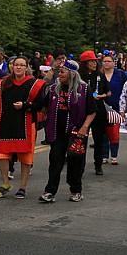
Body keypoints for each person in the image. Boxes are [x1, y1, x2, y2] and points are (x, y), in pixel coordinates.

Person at [38, 60, 96, 203]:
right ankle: (50, 191)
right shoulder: (53, 89)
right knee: (55, 161)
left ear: (72, 73)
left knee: (75, 162)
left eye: (63, 71)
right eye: (60, 71)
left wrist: (84, 127)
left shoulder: (83, 89)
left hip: (76, 132)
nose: (60, 74)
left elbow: (92, 111)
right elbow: (43, 107)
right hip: (57, 132)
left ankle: (76, 190)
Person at [0, 55, 46, 199]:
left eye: (22, 65)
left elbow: (41, 105)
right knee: (2, 155)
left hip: (26, 123)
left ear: (27, 67)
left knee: (26, 157)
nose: (19, 67)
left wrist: (25, 105)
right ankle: (5, 183)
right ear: (12, 67)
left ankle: (22, 187)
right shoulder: (4, 83)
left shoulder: (35, 84)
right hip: (6, 123)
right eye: (16, 65)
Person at [78, 50, 109, 175]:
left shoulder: (100, 75)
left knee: (99, 139)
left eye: (95, 61)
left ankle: (98, 165)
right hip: (84, 111)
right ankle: (80, 166)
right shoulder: (79, 77)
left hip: (99, 110)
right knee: (81, 139)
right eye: (91, 61)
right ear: (85, 63)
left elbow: (108, 91)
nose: (94, 63)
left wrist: (102, 95)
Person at [99, 53, 127, 165]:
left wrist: (124, 107)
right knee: (103, 132)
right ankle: (104, 155)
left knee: (114, 132)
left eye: (109, 61)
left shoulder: (120, 74)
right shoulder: (99, 75)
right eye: (104, 61)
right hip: (102, 107)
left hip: (116, 107)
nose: (106, 63)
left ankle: (114, 156)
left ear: (113, 63)